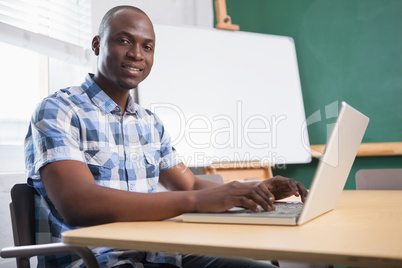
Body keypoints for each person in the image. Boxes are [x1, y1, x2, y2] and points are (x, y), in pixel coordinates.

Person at [24, 5, 308, 268]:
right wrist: (193, 202)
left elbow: (191, 184)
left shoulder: (150, 123)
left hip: (160, 254)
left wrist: (255, 189)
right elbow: (79, 203)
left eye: (147, 46)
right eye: (124, 41)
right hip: (94, 260)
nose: (137, 54)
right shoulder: (59, 110)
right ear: (97, 44)